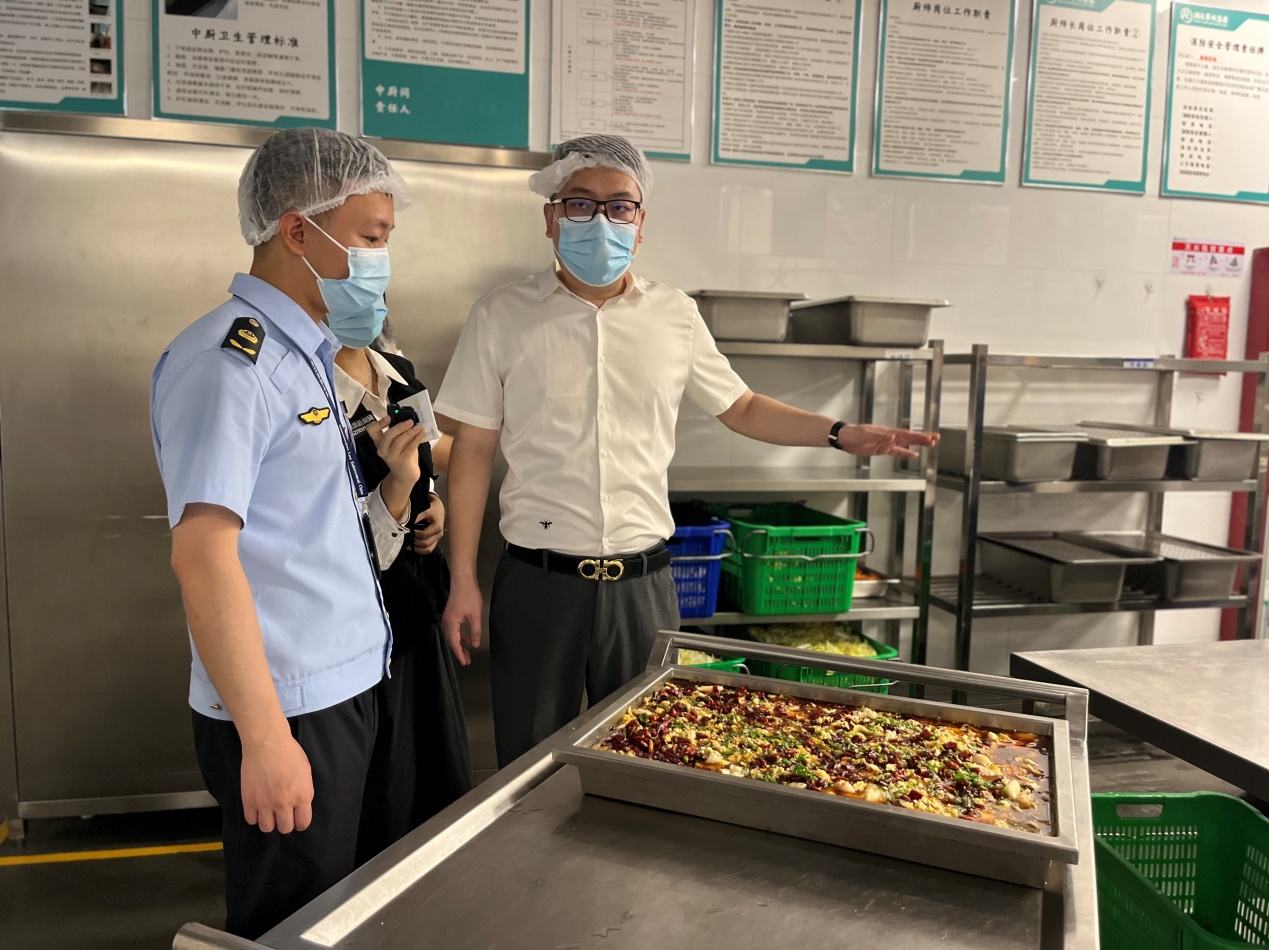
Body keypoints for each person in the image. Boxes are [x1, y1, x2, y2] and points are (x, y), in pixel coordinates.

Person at [435, 134, 939, 767]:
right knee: (531, 764)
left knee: (646, 758)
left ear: (640, 223)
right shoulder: (501, 315)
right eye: (581, 203)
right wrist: (462, 579)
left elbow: (743, 407)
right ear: (551, 216)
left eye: (620, 206)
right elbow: (472, 450)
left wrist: (839, 432)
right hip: (539, 584)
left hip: (644, 587)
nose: (602, 220)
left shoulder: (673, 314)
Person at [150, 127, 425, 938]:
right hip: (286, 707)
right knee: (286, 923)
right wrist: (266, 741)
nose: (380, 260)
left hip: (342, 687)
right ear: (298, 231)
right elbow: (203, 557)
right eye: (370, 238)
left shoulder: (307, 353)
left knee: (335, 915)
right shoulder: (229, 364)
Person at [332, 339, 473, 864]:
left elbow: (426, 463)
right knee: (378, 798)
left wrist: (430, 502)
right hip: (356, 634)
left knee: (430, 784)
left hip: (415, 617)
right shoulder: (310, 390)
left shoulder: (399, 375)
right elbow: (325, 537)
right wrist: (397, 490)